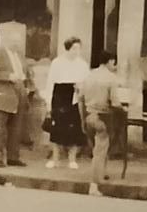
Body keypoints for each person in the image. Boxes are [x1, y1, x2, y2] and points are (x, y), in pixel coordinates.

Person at [0, 27, 31, 168]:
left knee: (16, 129)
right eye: (14, 40)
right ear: (5, 40)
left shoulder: (20, 56)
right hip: (2, 94)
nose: (17, 43)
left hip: (20, 93)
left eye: (18, 41)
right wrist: (8, 76)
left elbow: (28, 73)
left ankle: (13, 157)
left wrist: (28, 86)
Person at [43, 37, 89, 170]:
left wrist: (80, 89)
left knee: (74, 129)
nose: (77, 51)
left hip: (74, 97)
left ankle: (72, 159)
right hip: (59, 97)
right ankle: (55, 159)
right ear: (68, 48)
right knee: (57, 129)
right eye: (74, 48)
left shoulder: (82, 64)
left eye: (79, 48)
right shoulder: (57, 62)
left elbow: (86, 82)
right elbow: (50, 83)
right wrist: (48, 102)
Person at [78, 50, 120, 196]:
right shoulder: (111, 78)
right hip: (103, 116)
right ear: (110, 61)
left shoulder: (89, 76)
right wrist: (123, 107)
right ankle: (94, 185)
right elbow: (115, 102)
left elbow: (80, 99)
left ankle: (102, 174)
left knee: (98, 148)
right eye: (114, 63)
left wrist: (82, 119)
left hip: (89, 115)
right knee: (100, 152)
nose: (114, 66)